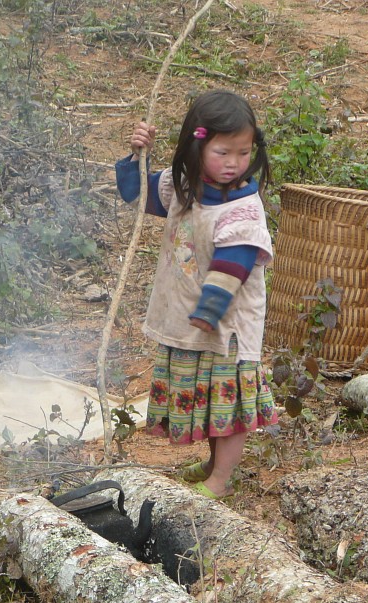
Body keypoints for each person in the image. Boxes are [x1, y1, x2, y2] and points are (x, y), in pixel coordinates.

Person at [114, 89, 278, 499]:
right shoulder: (185, 188)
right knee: (210, 399)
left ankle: (220, 479)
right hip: (193, 316)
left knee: (231, 406)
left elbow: (234, 263)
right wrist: (137, 157)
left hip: (226, 326)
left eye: (242, 153)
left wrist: (209, 310)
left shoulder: (242, 207)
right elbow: (139, 196)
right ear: (197, 145)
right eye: (223, 152)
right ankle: (212, 464)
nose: (234, 164)